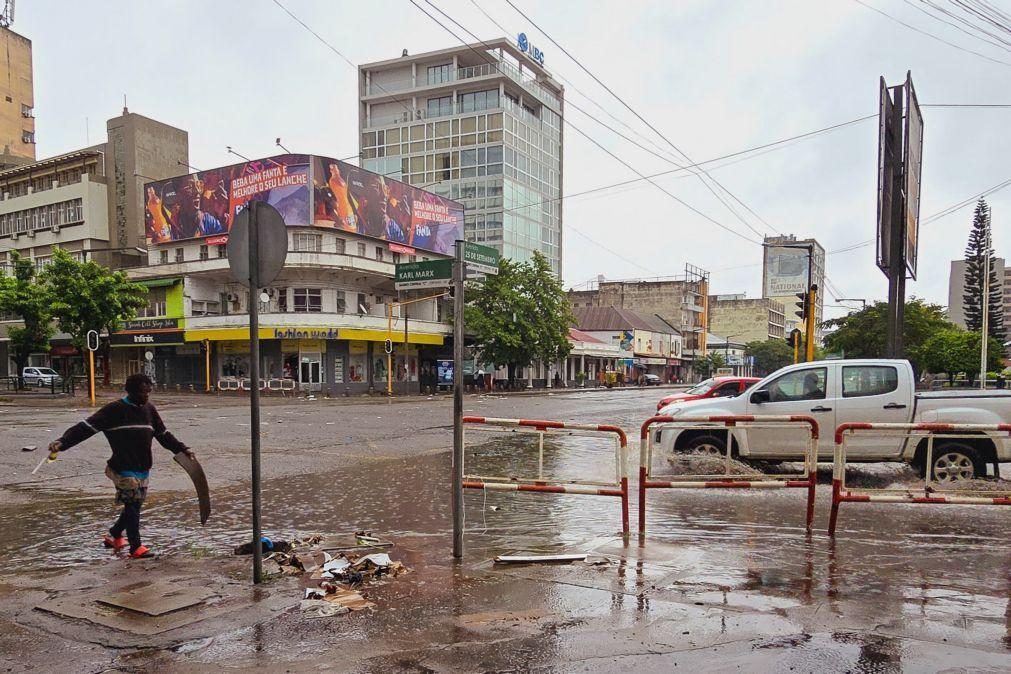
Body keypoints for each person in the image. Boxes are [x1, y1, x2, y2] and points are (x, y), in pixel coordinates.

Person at [47, 373, 194, 559]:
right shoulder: (114, 410)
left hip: (143, 466)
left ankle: (114, 534)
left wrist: (183, 450)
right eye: (142, 392)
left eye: (148, 392)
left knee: (135, 504)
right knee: (132, 504)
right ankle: (136, 547)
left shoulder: (149, 410)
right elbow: (85, 428)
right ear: (130, 391)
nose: (146, 396)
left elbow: (164, 435)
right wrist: (62, 442)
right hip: (122, 467)